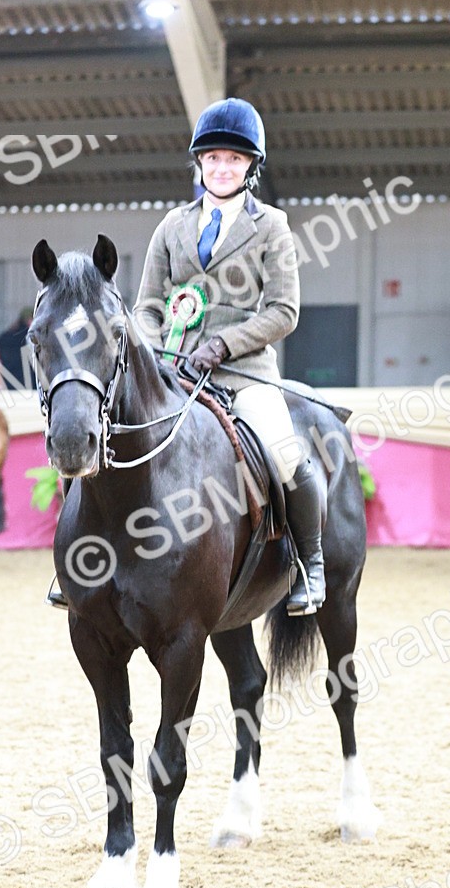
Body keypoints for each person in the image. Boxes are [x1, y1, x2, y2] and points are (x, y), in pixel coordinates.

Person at [133, 96, 324, 615]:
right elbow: (146, 306)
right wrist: (157, 353)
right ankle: (82, 572)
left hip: (242, 373)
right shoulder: (171, 226)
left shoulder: (272, 227)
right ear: (199, 162)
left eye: (234, 159)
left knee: (286, 455)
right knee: (109, 440)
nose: (222, 167)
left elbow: (284, 311)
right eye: (213, 157)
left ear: (250, 167)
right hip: (174, 373)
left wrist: (223, 344)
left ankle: (311, 563)